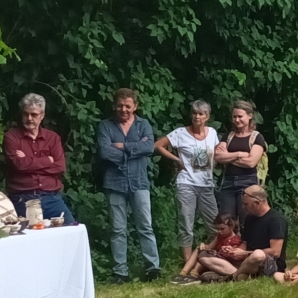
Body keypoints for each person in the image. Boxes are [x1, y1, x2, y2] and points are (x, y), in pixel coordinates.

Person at [97, 88, 160, 283]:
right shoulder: (105, 126)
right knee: (118, 229)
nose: (123, 109)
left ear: (135, 106)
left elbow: (149, 147)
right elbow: (105, 152)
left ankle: (153, 268)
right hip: (114, 183)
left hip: (139, 182)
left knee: (145, 226)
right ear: (114, 105)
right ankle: (120, 272)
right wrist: (134, 149)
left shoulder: (143, 124)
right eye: (120, 105)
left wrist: (123, 146)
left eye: (127, 106)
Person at [157, 100, 221, 268]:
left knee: (215, 223)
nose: (196, 117)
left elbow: (217, 153)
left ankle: (215, 258)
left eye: (200, 114)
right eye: (194, 113)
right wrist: (177, 159)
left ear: (207, 116)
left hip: (207, 184)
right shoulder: (180, 133)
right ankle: (188, 263)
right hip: (186, 183)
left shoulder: (212, 133)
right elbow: (159, 145)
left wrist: (215, 162)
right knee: (186, 223)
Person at [2, 93, 70, 223]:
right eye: (25, 114)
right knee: (26, 235)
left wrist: (27, 161)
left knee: (72, 229)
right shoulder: (11, 137)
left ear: (42, 115)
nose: (29, 118)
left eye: (34, 115)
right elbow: (19, 165)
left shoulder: (52, 138)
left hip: (52, 199)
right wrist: (47, 160)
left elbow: (60, 167)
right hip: (23, 200)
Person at [214, 100, 267, 223]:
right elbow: (217, 157)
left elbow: (251, 162)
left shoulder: (257, 137)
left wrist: (227, 157)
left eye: (240, 116)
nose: (237, 120)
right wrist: (239, 154)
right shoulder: (228, 135)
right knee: (226, 221)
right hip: (228, 182)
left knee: (246, 221)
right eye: (234, 117)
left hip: (247, 183)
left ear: (250, 116)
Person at [234, 185, 287, 279]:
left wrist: (245, 253)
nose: (243, 207)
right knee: (207, 257)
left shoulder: (276, 220)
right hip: (248, 260)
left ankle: (233, 275)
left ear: (257, 203)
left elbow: (275, 252)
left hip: (267, 263)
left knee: (258, 255)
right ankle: (241, 274)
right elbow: (245, 244)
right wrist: (234, 251)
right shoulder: (249, 218)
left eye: (246, 204)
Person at [175, 214, 241, 283]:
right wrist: (203, 245)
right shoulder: (219, 236)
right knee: (200, 249)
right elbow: (209, 247)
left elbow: (230, 257)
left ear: (231, 226)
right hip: (214, 260)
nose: (219, 231)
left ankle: (194, 273)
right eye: (218, 229)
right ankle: (183, 272)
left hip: (222, 265)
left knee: (205, 254)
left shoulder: (235, 240)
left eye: (222, 229)